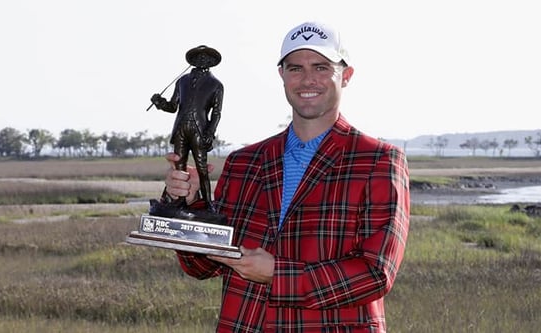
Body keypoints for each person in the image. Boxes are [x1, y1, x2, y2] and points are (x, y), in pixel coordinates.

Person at [163, 21, 410, 332]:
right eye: (295, 68)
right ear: (281, 75)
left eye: (321, 67)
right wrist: (191, 204)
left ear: (345, 76)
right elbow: (201, 265)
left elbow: (376, 274)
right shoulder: (243, 163)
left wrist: (278, 274)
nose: (308, 79)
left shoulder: (378, 160)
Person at [151, 45, 224, 214]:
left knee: (202, 168)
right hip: (181, 128)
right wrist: (160, 103)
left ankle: (208, 204)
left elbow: (216, 113)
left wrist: (209, 133)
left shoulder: (216, 85)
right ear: (193, 60)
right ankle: (180, 202)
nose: (202, 60)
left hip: (200, 130)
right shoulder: (182, 81)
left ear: (212, 62)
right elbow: (172, 106)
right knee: (179, 166)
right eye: (199, 57)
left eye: (206, 58)